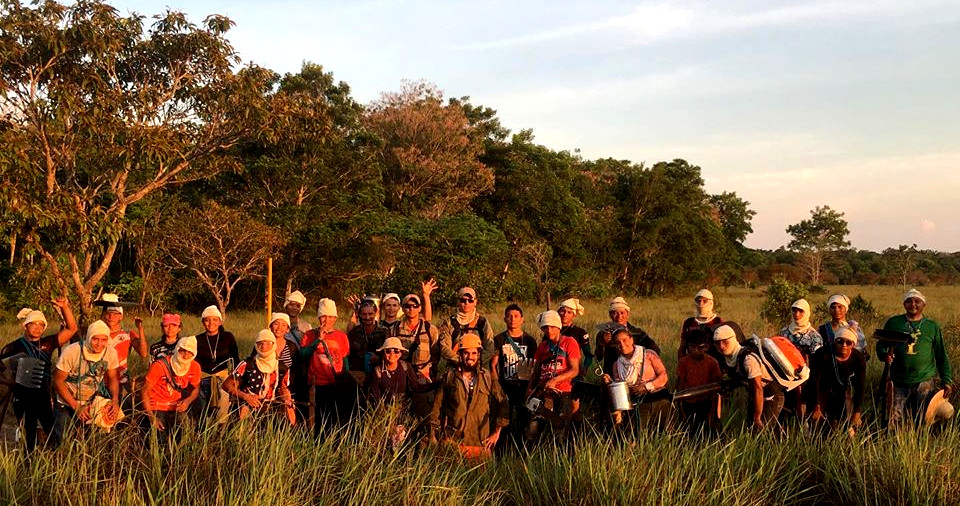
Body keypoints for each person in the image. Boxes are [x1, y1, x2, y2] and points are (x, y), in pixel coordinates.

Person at [0, 299, 77, 451]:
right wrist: (13, 384)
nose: (38, 328)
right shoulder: (13, 347)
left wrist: (65, 307)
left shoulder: (47, 343)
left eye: (41, 325)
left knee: (49, 428)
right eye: (33, 324)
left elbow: (72, 329)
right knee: (27, 429)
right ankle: (27, 461)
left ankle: (53, 458)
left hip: (43, 393)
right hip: (21, 395)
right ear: (26, 326)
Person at [876, 289, 953, 430]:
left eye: (917, 301)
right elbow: (881, 345)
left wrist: (946, 380)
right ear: (904, 304)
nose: (913, 304)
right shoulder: (894, 322)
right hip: (898, 380)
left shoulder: (932, 326)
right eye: (909, 301)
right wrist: (884, 355)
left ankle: (920, 444)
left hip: (924, 381)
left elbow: (941, 355)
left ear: (924, 304)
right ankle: (896, 446)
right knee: (896, 420)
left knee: (924, 418)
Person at [429, 333, 509, 460]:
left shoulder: (487, 378)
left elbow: (503, 402)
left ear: (478, 355)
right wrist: (434, 434)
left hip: (481, 443)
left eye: (473, 353)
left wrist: (497, 432)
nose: (470, 357)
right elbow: (436, 408)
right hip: (454, 443)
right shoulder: (449, 377)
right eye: (466, 353)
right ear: (460, 355)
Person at [52, 320, 122, 442]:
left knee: (91, 440)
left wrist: (115, 400)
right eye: (95, 339)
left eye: (104, 339)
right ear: (89, 337)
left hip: (92, 402)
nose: (99, 344)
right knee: (63, 439)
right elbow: (58, 381)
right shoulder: (72, 351)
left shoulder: (110, 353)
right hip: (66, 401)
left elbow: (113, 379)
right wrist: (76, 406)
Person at [714, 324, 784, 432]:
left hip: (770, 394)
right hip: (755, 396)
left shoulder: (748, 359)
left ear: (733, 339)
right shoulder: (729, 359)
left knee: (762, 432)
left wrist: (757, 417)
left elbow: (758, 388)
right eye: (717, 343)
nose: (721, 347)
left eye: (725, 342)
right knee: (752, 431)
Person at [601, 328, 672, 431]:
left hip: (659, 400)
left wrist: (646, 387)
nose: (622, 344)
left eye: (624, 340)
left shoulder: (648, 354)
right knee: (633, 437)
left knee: (665, 434)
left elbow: (663, 377)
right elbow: (621, 390)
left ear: (631, 339)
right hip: (638, 404)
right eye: (618, 342)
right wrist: (610, 383)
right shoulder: (617, 365)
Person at [526, 310, 581, 438]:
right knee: (532, 427)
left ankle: (559, 455)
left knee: (560, 429)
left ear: (558, 327)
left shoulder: (569, 342)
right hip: (543, 391)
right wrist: (529, 389)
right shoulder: (543, 346)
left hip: (563, 392)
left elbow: (574, 370)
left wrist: (555, 380)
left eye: (552, 327)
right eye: (546, 328)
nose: (549, 330)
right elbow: (536, 372)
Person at [224, 330, 295, 425]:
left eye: (268, 343)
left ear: (273, 344)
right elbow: (227, 385)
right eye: (260, 343)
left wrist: (286, 398)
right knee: (243, 435)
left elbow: (283, 387)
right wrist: (246, 397)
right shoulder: (247, 364)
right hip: (247, 407)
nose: (264, 347)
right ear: (256, 345)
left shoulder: (281, 367)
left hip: (271, 409)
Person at [300, 298, 350, 432]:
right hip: (316, 384)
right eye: (323, 316)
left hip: (335, 383)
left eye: (330, 316)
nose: (326, 320)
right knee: (317, 419)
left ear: (335, 318)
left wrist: (345, 381)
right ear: (318, 317)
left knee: (335, 419)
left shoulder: (341, 336)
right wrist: (318, 340)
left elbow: (345, 360)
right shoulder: (310, 335)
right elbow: (303, 355)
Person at [387, 293, 440, 418]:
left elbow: (436, 353)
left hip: (423, 374)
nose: (411, 309)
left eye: (415, 306)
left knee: (425, 410)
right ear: (403, 308)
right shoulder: (395, 329)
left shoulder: (429, 329)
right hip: (402, 375)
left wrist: (430, 368)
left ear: (420, 308)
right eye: (407, 306)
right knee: (399, 410)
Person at [491, 304, 538, 441]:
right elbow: (493, 365)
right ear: (505, 319)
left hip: (524, 387)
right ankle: (502, 450)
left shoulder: (530, 341)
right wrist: (496, 386)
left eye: (516, 316)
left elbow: (534, 366)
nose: (513, 319)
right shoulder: (499, 339)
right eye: (509, 316)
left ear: (522, 319)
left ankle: (522, 451)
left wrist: (531, 388)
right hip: (505, 387)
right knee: (503, 420)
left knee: (525, 421)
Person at [809, 327, 865, 433]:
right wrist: (817, 405)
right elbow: (814, 380)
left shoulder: (858, 358)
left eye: (848, 342)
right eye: (840, 341)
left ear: (853, 345)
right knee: (819, 424)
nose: (844, 345)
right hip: (823, 388)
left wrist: (857, 412)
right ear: (835, 342)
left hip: (845, 390)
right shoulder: (823, 353)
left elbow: (860, 385)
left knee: (847, 424)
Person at [141, 336, 201, 433]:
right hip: (156, 407)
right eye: (183, 351)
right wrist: (151, 417)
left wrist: (187, 401)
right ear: (177, 349)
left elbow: (196, 389)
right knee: (159, 436)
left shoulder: (195, 367)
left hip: (176, 407)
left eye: (190, 352)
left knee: (187, 431)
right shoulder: (159, 365)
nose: (186, 355)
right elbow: (144, 391)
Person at [193, 305, 239, 424]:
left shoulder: (228, 337)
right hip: (202, 378)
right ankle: (201, 435)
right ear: (203, 322)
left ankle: (220, 435)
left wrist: (235, 380)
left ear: (220, 321)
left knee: (222, 411)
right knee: (201, 412)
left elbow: (235, 360)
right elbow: (193, 363)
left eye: (214, 319)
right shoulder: (197, 339)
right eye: (207, 320)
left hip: (222, 379)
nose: (211, 323)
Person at [778, 298, 822, 420]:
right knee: (785, 407)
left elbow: (816, 360)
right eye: (794, 311)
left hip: (806, 378)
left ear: (806, 313)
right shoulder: (784, 332)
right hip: (786, 375)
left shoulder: (814, 336)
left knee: (804, 408)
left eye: (800, 311)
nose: (797, 314)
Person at [97, 293, 146, 400]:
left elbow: (143, 353)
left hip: (122, 381)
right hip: (100, 381)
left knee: (123, 412)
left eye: (115, 314)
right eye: (108, 313)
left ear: (121, 316)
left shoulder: (128, 335)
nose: (111, 317)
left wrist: (140, 329)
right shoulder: (97, 334)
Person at [595, 297, 660, 375]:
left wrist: (641, 360)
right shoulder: (603, 333)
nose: (619, 316)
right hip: (612, 376)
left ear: (628, 314)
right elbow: (598, 358)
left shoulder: (637, 333)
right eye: (615, 313)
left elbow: (655, 350)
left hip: (635, 377)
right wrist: (602, 343)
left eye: (622, 313)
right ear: (610, 315)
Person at [675, 327, 723, 434]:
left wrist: (712, 413)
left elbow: (716, 390)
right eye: (692, 347)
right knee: (689, 433)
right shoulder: (684, 362)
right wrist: (681, 411)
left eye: (700, 347)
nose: (696, 351)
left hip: (706, 404)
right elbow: (680, 387)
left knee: (706, 433)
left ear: (706, 347)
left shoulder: (712, 363)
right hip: (688, 404)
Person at [366, 337, 436, 404]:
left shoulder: (405, 366)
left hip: (404, 408)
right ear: (383, 353)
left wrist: (436, 384)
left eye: (396, 351)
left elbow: (416, 387)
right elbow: (375, 399)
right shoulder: (378, 371)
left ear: (400, 354)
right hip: (385, 410)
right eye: (388, 351)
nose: (392, 354)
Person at [439, 287, 495, 369]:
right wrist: (461, 361)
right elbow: (444, 348)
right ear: (458, 301)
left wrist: (475, 362)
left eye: (470, 300)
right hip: (455, 368)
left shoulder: (482, 322)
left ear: (475, 302)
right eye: (463, 300)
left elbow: (490, 348)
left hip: (478, 368)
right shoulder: (449, 323)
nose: (467, 303)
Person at [346, 300, 387, 383]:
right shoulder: (354, 332)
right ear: (360, 314)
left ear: (375, 313)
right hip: (358, 376)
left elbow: (390, 354)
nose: (367, 317)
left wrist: (378, 358)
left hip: (378, 375)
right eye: (364, 314)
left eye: (370, 314)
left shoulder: (384, 332)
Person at [678, 289, 724, 360]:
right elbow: (682, 347)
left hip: (713, 361)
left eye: (704, 301)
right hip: (692, 361)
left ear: (711, 303)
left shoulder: (717, 321)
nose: (701, 304)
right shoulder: (689, 322)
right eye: (698, 301)